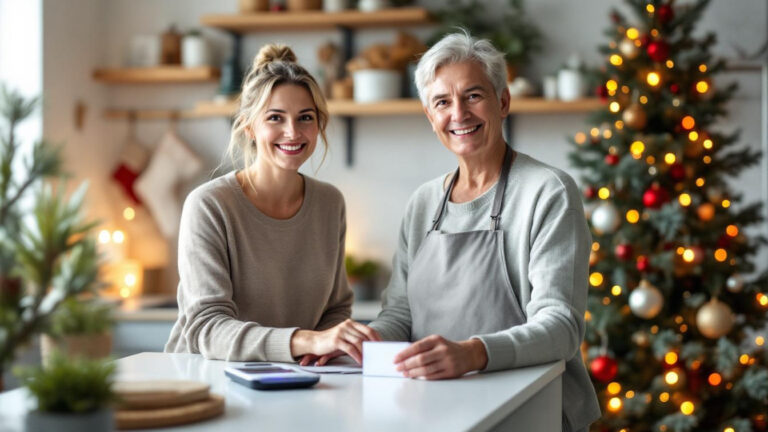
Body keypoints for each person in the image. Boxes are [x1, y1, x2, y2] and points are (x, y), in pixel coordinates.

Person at [365, 32, 601, 431]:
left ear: (503, 101)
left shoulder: (548, 192)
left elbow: (561, 326)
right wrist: (366, 342)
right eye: (442, 102)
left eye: (473, 96)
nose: (458, 114)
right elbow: (401, 313)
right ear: (430, 116)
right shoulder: (423, 202)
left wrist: (473, 354)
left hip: (533, 408)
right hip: (436, 409)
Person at [165, 44, 379, 364]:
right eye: (275, 118)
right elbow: (206, 327)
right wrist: (304, 340)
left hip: (293, 380)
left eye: (305, 117)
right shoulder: (209, 205)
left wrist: (325, 346)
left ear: (319, 125)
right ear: (249, 126)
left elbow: (335, 310)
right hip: (207, 380)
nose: (292, 132)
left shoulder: (329, 203)